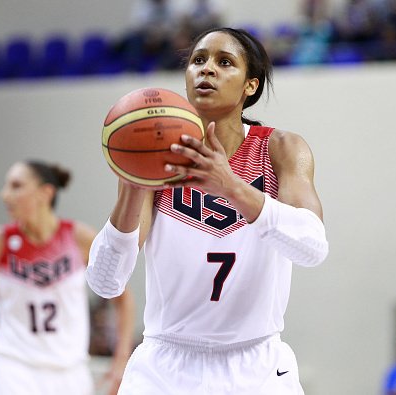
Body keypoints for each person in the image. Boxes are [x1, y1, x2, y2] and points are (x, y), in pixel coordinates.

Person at [86, 27, 329, 394]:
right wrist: (133, 190)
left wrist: (230, 185)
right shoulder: (157, 160)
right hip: (166, 366)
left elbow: (312, 247)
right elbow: (105, 283)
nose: (207, 69)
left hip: (257, 366)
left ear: (251, 85)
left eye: (224, 62)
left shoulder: (281, 148)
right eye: (198, 60)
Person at [0, 160, 135, 395]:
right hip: (14, 367)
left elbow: (122, 297)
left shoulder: (79, 238)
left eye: (16, 186)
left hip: (70, 370)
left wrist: (121, 358)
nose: (4, 195)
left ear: (45, 193)